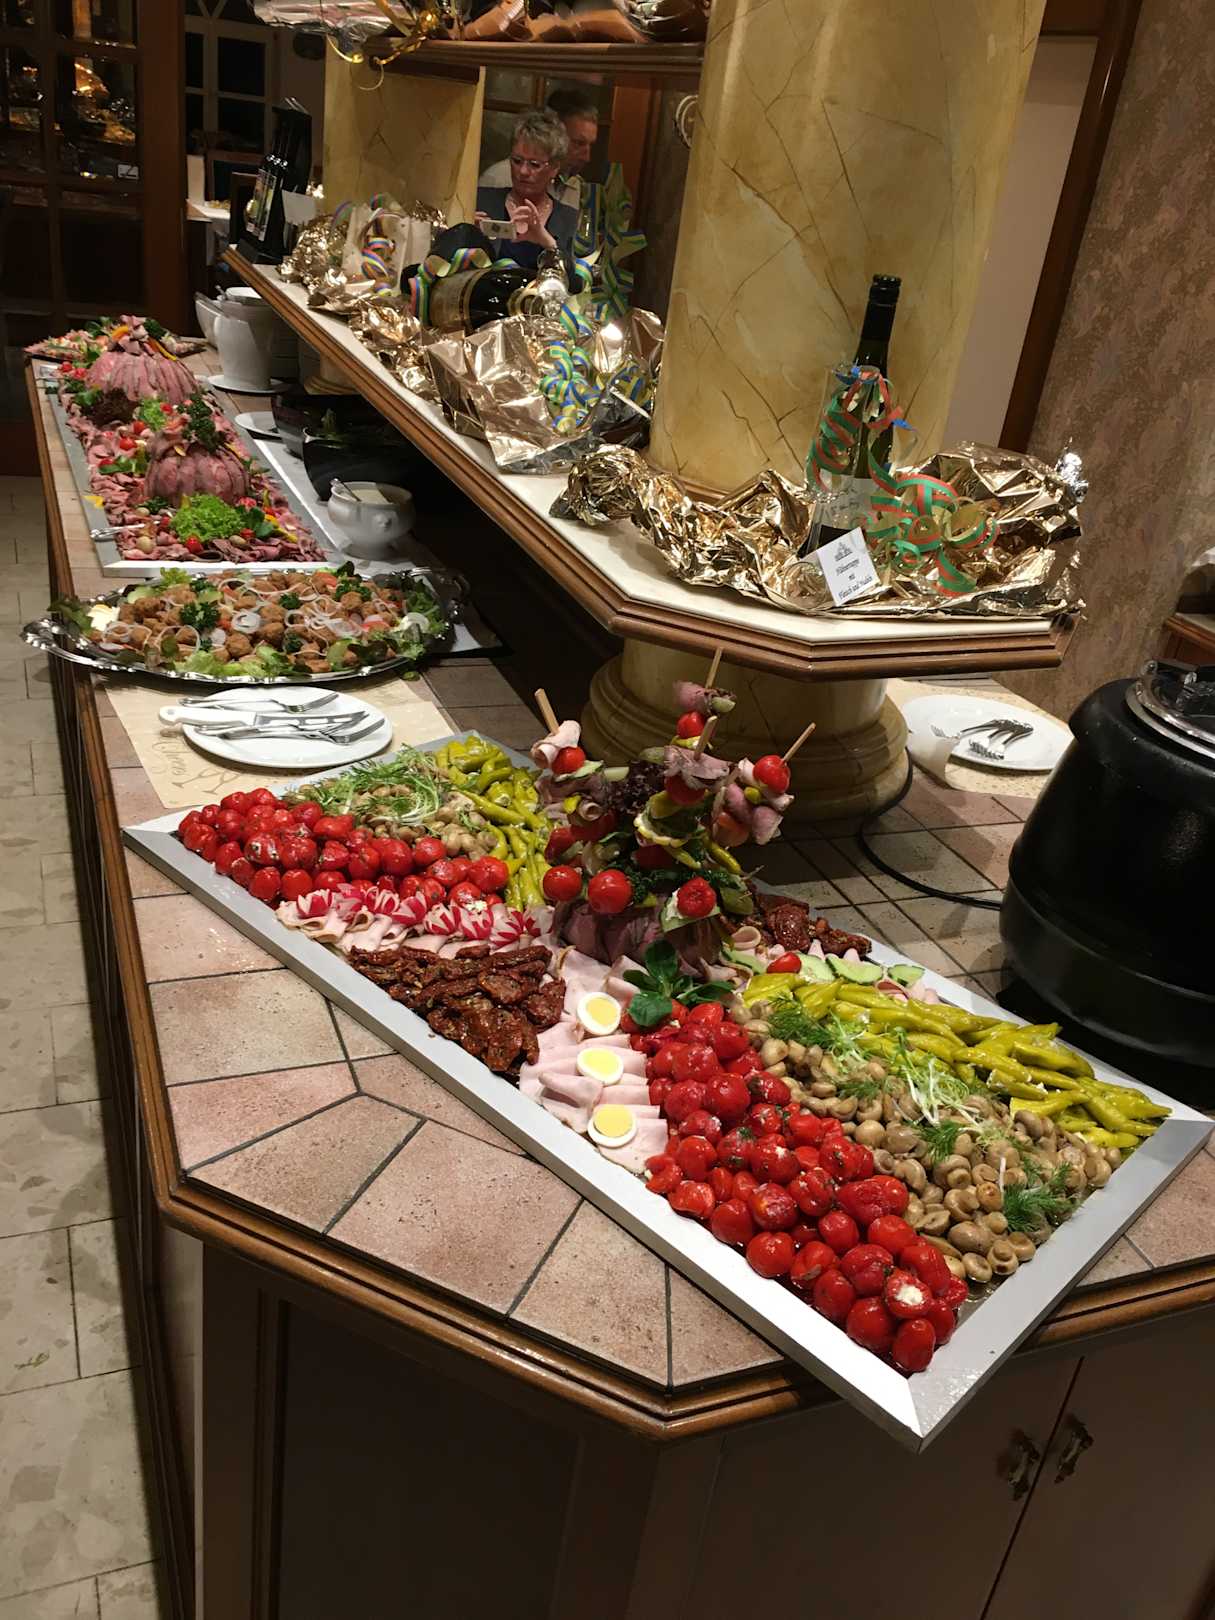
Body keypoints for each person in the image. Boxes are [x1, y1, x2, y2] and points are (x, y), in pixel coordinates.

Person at [475, 111, 580, 273]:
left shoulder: (568, 218)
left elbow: (574, 281)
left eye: (534, 164)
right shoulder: (481, 200)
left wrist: (547, 242)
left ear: (554, 168)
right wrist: (467, 235)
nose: (523, 171)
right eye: (517, 161)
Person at [478, 89, 598, 212]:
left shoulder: (574, 185)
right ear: (556, 134)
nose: (586, 157)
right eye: (579, 143)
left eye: (590, 145)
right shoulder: (499, 179)